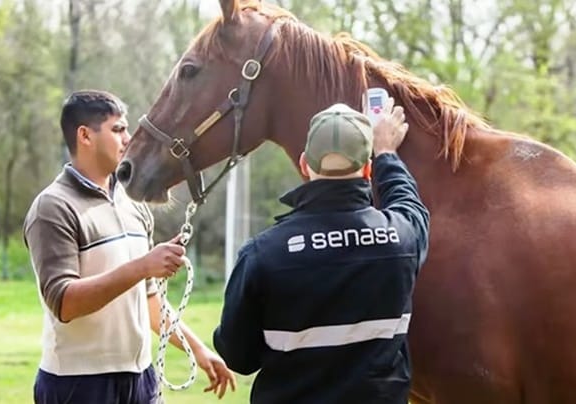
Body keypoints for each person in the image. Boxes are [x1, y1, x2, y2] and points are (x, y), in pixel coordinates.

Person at [23, 89, 236, 404]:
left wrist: (198, 349)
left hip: (141, 380)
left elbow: (148, 301)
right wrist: (143, 266)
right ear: (85, 135)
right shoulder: (53, 207)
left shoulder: (133, 204)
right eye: (118, 129)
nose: (128, 139)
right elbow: (64, 302)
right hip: (78, 386)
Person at [213, 99, 430, 403]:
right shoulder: (403, 237)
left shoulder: (261, 254)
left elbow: (238, 357)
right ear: (367, 169)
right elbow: (410, 205)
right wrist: (387, 155)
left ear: (304, 164)